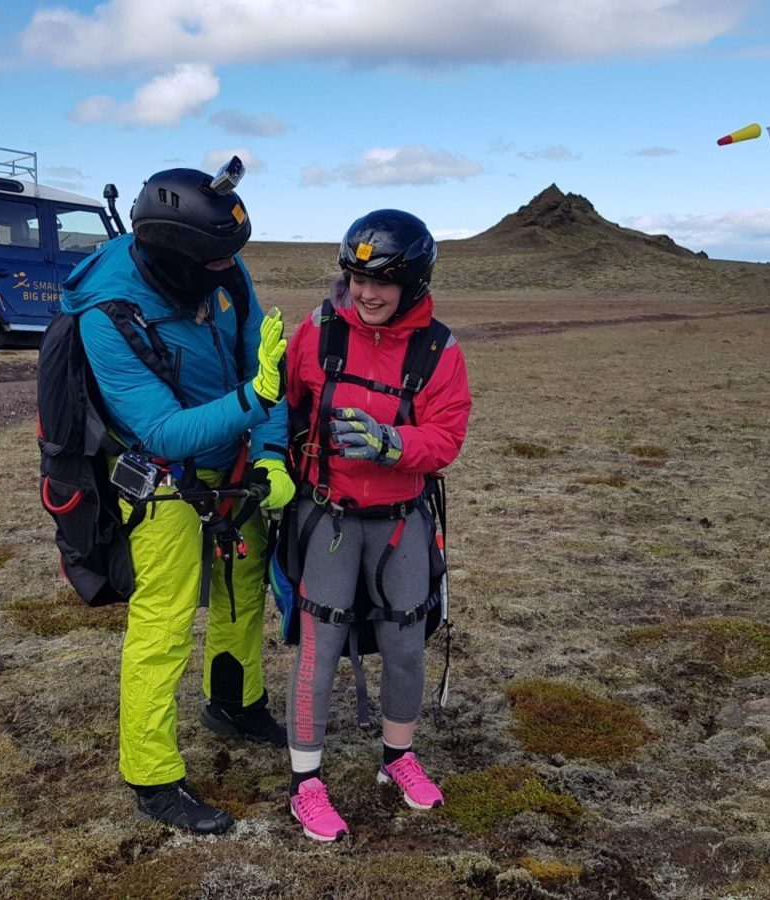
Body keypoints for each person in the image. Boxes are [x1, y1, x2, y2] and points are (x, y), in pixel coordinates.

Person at [58, 166, 295, 835]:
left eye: (234, 257)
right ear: (173, 252)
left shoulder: (223, 274)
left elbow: (261, 360)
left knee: (242, 592)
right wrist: (257, 403)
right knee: (161, 629)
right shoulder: (106, 315)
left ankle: (235, 703)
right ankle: (153, 776)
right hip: (160, 481)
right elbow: (160, 428)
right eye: (218, 258)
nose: (231, 269)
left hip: (237, 470)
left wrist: (272, 452)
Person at [281, 209, 472, 841]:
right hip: (328, 518)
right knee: (320, 650)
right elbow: (282, 410)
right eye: (356, 278)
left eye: (382, 283)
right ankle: (305, 783)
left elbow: (446, 438)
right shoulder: (317, 333)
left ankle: (399, 759)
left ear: (414, 284)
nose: (365, 294)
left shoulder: (440, 350)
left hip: (399, 524)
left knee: (405, 648)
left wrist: (393, 443)